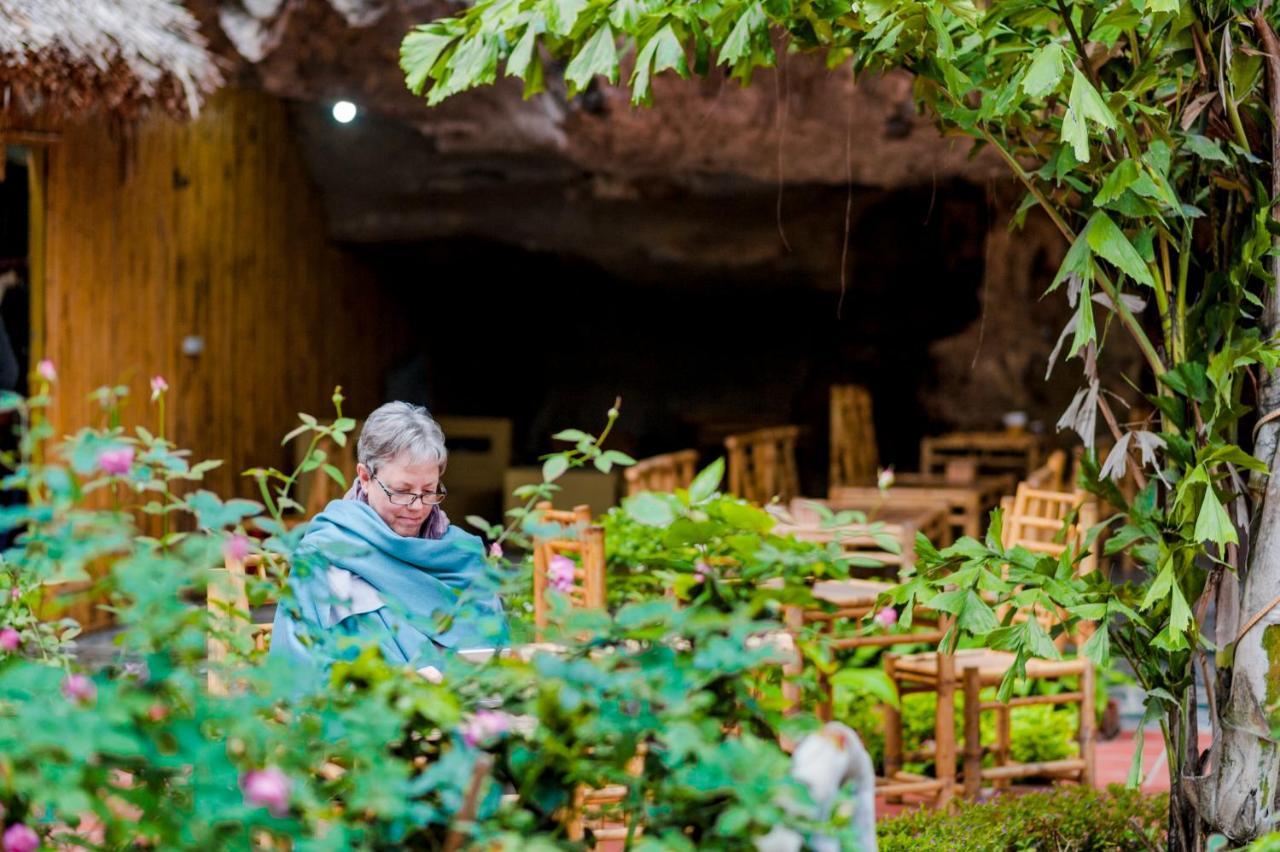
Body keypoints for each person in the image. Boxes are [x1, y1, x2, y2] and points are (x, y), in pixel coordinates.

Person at [270, 402, 508, 681]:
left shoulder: (460, 555)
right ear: (365, 477)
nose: (417, 506)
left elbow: (497, 653)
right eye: (401, 491)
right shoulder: (325, 553)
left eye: (429, 491)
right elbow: (297, 667)